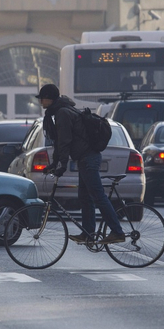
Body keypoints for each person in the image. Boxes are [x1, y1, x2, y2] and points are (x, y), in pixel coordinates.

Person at [36, 83, 126, 244]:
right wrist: (54, 163)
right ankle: (88, 233)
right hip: (85, 158)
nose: (40, 102)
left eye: (42, 99)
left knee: (97, 196)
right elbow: (59, 142)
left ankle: (117, 232)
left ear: (48, 98)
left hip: (88, 158)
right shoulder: (61, 111)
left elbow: (65, 141)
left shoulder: (63, 113)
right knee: (85, 197)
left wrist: (62, 165)